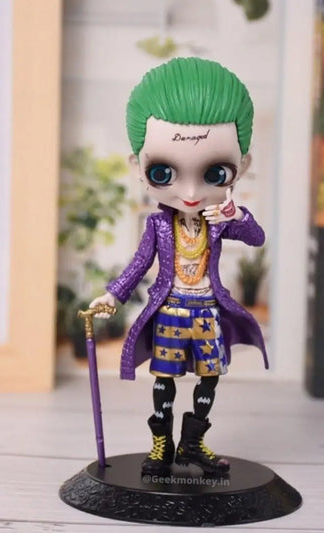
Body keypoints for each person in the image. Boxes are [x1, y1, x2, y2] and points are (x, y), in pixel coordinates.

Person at [89, 57, 268, 476]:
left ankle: (193, 442)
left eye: (215, 172)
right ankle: (161, 445)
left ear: (241, 166)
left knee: (210, 376)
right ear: (137, 167)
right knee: (164, 379)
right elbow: (139, 263)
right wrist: (113, 294)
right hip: (170, 310)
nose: (189, 193)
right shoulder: (157, 225)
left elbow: (256, 238)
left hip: (207, 311)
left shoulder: (219, 220)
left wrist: (237, 216)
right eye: (163, 171)